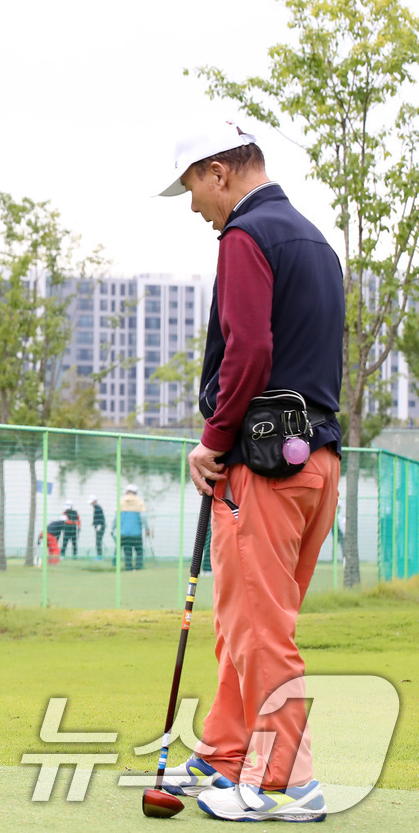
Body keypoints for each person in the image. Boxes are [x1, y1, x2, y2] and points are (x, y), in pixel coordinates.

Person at [154, 121, 342, 822]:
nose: (197, 207)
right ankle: (229, 754)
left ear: (219, 172)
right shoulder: (317, 241)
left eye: (194, 189)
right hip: (317, 463)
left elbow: (249, 352)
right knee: (248, 621)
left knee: (258, 630)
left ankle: (285, 781)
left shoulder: (245, 236)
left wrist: (211, 439)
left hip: (263, 469)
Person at [117, 484, 144, 571]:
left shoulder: (121, 502)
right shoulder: (140, 502)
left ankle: (129, 567)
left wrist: (112, 528)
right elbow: (144, 517)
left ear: (127, 491)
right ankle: (138, 567)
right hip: (137, 533)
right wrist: (147, 529)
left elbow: (115, 517)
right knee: (139, 551)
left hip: (124, 532)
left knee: (127, 552)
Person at [89, 495, 106, 559]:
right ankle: (99, 555)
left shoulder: (97, 508)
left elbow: (100, 518)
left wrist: (99, 525)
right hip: (99, 526)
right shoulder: (96, 507)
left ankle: (100, 556)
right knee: (98, 541)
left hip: (100, 527)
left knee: (98, 541)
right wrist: (94, 523)